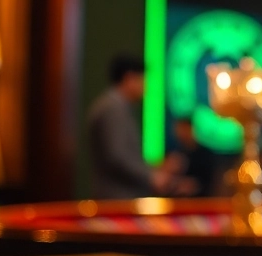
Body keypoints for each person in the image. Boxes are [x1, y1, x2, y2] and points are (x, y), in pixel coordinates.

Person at [86, 54, 175, 199]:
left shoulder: (114, 105)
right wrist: (152, 176)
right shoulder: (113, 108)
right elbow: (117, 156)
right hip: (117, 199)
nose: (144, 86)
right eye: (142, 79)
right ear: (129, 78)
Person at [165, 117, 216, 197]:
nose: (181, 133)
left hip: (201, 202)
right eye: (178, 129)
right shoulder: (174, 154)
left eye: (184, 129)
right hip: (175, 202)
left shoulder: (205, 154)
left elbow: (209, 182)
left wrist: (193, 186)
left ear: (191, 129)